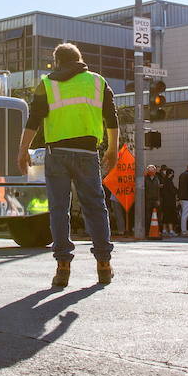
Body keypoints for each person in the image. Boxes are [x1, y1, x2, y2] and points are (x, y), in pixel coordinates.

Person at [16, 42, 118, 287]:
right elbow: (111, 117)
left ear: (58, 61)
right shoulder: (97, 82)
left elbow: (34, 119)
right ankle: (104, 264)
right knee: (95, 207)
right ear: (79, 59)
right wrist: (113, 149)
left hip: (57, 154)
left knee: (59, 210)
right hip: (87, 153)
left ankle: (63, 266)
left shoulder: (46, 84)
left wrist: (22, 151)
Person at [160, 166, 179, 234]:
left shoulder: (164, 180)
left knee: (165, 216)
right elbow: (172, 190)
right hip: (170, 201)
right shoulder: (169, 181)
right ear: (170, 174)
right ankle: (171, 230)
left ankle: (164, 229)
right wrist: (177, 191)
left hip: (165, 201)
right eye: (172, 174)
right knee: (170, 216)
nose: (172, 175)